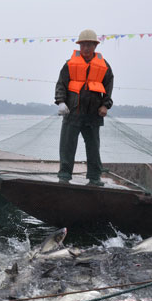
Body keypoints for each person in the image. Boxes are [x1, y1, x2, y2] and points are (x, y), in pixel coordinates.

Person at [55, 29, 114, 186]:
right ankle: (64, 176)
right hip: (72, 112)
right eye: (83, 45)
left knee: (93, 147)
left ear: (95, 46)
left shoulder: (104, 66)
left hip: (94, 114)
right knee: (67, 146)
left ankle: (94, 178)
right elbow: (61, 84)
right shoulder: (69, 64)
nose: (86, 48)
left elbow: (109, 87)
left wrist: (105, 105)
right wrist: (61, 101)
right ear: (79, 46)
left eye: (89, 45)